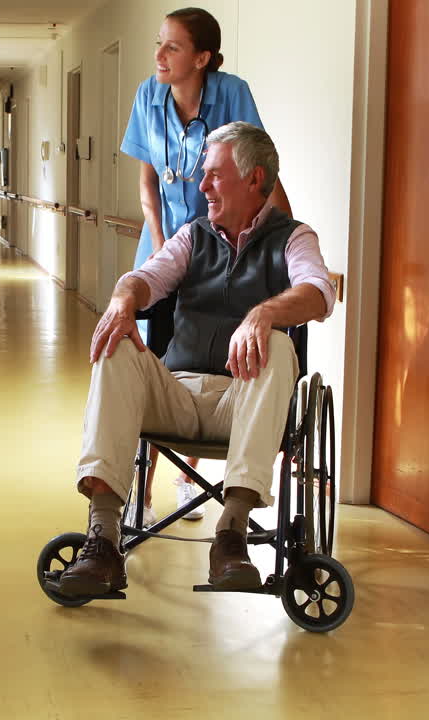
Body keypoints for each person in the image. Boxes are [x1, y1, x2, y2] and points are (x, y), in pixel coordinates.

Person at [56, 122, 335, 597]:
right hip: (176, 394)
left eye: (214, 175)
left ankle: (231, 534)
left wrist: (264, 314)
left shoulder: (293, 237)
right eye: (202, 175)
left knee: (281, 345)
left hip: (243, 401)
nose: (201, 186)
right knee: (118, 340)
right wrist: (125, 302)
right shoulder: (193, 236)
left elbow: (318, 291)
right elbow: (145, 277)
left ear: (254, 179)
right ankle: (103, 538)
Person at [119, 7, 293, 527]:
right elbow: (149, 184)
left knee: (212, 353)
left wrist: (283, 239)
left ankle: (189, 475)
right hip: (169, 247)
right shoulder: (148, 97)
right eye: (159, 44)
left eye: (171, 48)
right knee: (154, 361)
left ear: (203, 57)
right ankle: (139, 493)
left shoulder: (231, 93)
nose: (159, 56)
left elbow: (260, 171)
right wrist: (158, 247)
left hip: (228, 249)